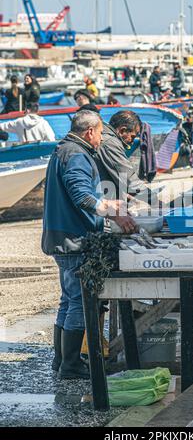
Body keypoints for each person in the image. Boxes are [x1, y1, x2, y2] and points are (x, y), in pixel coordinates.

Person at [42, 110, 137, 380]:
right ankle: (71, 365)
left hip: (60, 236)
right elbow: (81, 195)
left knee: (67, 300)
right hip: (73, 239)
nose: (101, 140)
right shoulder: (76, 154)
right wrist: (114, 211)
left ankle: (61, 360)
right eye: (100, 134)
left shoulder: (64, 149)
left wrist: (116, 198)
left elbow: (85, 190)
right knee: (77, 303)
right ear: (90, 132)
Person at [96, 110, 157, 204]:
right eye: (132, 137)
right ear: (122, 130)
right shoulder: (110, 143)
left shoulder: (106, 137)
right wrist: (155, 201)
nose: (132, 142)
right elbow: (128, 179)